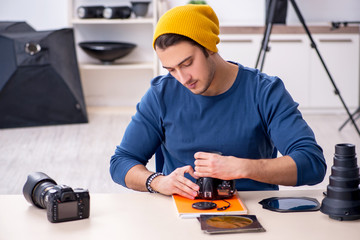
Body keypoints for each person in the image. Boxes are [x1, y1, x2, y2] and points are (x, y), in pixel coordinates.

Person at [110, 4, 326, 199]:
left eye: (187, 63)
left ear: (209, 47)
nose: (183, 79)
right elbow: (121, 162)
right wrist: (157, 182)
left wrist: (242, 167)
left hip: (253, 214)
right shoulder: (161, 94)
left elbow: (312, 163)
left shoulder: (264, 91)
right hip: (181, 215)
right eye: (171, 70)